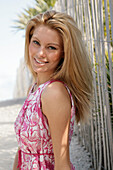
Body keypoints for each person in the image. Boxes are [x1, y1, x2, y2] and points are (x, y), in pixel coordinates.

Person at [13, 10, 93, 170]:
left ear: (64, 54)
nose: (40, 53)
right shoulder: (34, 89)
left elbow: (62, 163)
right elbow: (23, 151)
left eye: (51, 47)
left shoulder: (54, 93)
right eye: (36, 42)